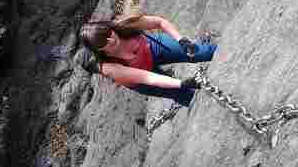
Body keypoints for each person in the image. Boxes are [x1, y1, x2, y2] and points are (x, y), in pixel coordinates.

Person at [77, 12, 217, 106]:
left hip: (151, 48)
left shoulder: (123, 26)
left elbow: (159, 22)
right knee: (185, 95)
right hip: (141, 80)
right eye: (103, 43)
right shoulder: (110, 67)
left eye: (108, 33)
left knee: (201, 53)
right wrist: (181, 84)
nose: (111, 39)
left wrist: (182, 40)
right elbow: (148, 78)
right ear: (99, 50)